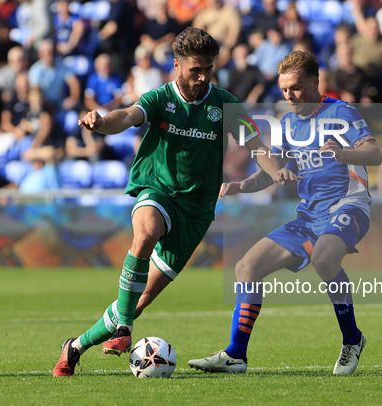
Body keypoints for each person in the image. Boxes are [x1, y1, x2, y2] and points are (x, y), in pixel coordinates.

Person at [52, 27, 299, 377]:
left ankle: (75, 346)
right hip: (157, 189)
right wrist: (100, 121)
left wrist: (276, 171)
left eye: (208, 70)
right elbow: (126, 116)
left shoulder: (224, 104)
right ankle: (124, 329)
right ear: (177, 66)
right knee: (147, 231)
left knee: (140, 299)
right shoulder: (161, 98)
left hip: (196, 211)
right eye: (195, 70)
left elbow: (255, 145)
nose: (202, 77)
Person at [188, 50, 382, 374]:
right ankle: (236, 354)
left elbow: (374, 154)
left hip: (348, 204)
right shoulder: (289, 122)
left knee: (324, 258)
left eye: (295, 87)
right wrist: (241, 185)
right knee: (246, 267)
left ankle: (352, 339)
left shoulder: (342, 112)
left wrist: (344, 152)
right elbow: (272, 171)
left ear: (315, 81)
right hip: (309, 216)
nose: (289, 96)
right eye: (284, 90)